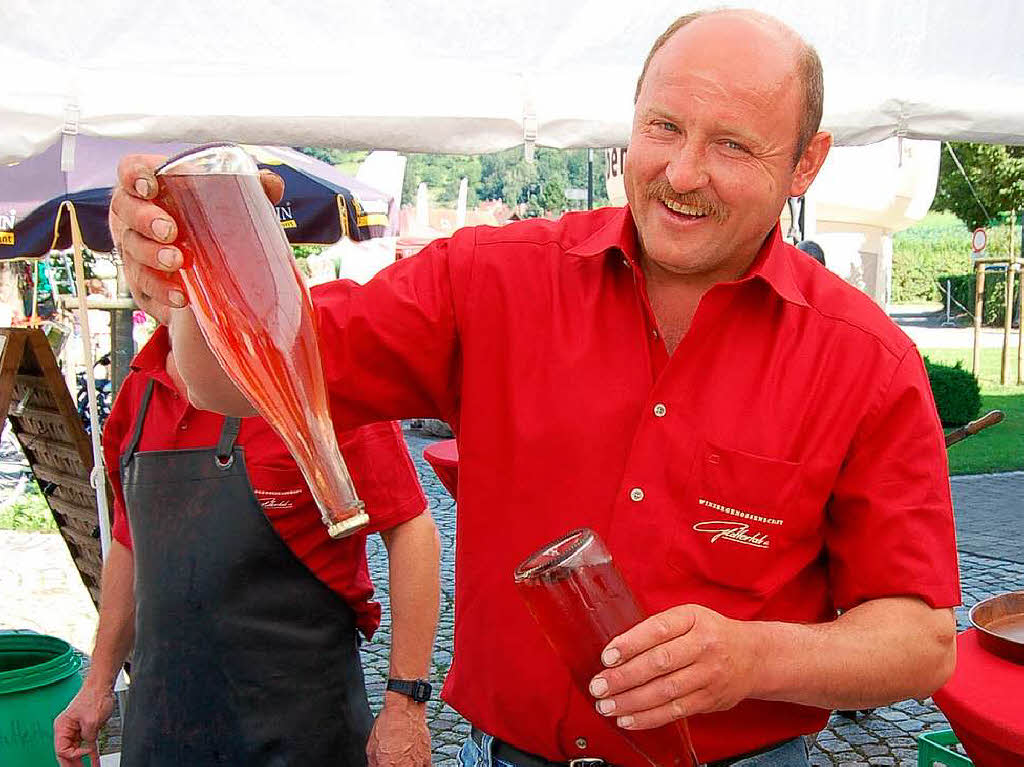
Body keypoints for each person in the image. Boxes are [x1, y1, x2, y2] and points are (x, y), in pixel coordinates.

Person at [109, 8, 959, 766]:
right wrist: (184, 276)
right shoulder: (494, 280)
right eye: (663, 127)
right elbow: (231, 380)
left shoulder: (865, 361)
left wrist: (755, 658)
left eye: (733, 143)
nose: (684, 172)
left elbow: (920, 642)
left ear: (806, 163)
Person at [53, 310, 440, 767]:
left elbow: (411, 530)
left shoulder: (310, 376)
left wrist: (405, 703)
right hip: (163, 728)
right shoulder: (139, 387)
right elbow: (129, 541)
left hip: (301, 733)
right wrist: (98, 682)